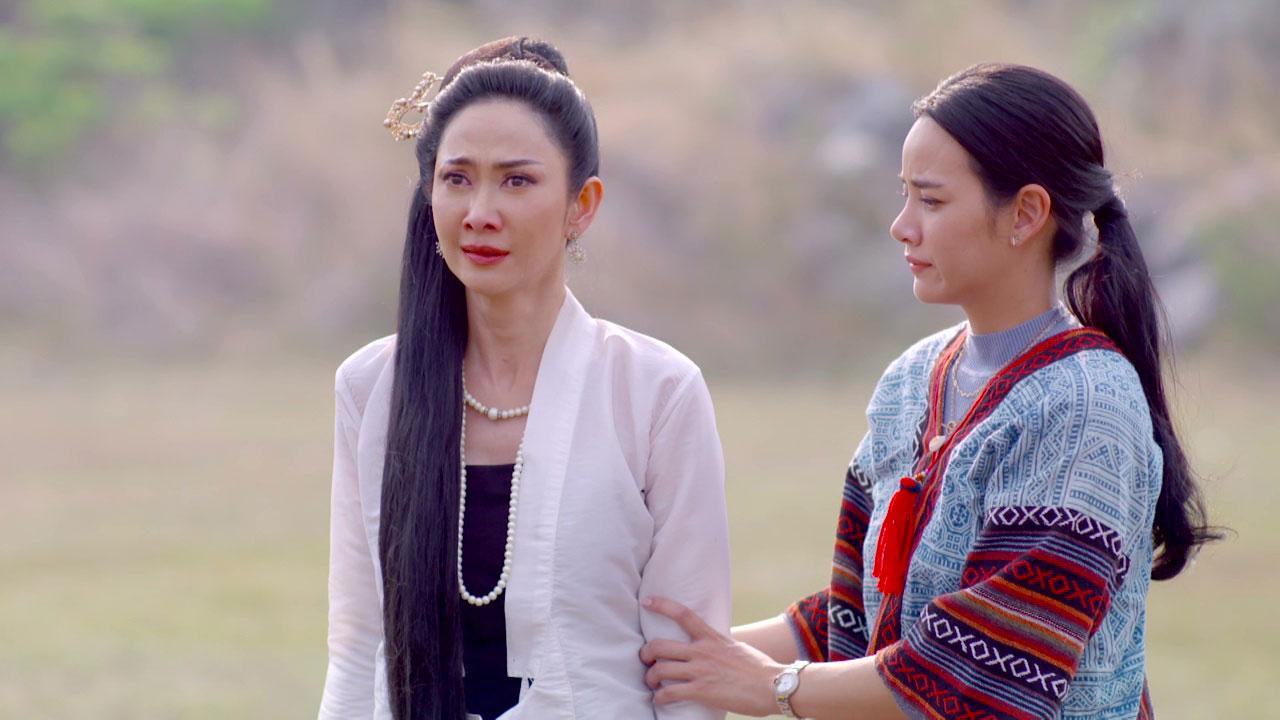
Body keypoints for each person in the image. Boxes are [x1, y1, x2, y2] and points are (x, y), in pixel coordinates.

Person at [639, 63, 1218, 720]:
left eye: (932, 201)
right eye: (904, 195)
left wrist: (777, 687)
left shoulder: (1085, 406)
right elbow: (858, 614)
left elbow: (986, 672)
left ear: (1026, 213)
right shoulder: (911, 381)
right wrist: (664, 655)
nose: (902, 226)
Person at [318, 37, 730, 720]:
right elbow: (360, 648)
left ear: (582, 205)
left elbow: (687, 673)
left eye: (517, 181)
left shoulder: (655, 392)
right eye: (457, 179)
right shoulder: (372, 389)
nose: (480, 211)